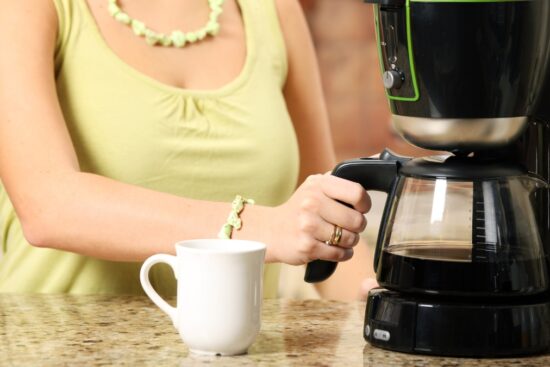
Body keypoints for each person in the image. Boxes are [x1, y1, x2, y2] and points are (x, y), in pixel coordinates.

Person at [0, 0, 375, 299]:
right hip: (60, 349)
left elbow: (326, 223)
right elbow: (46, 204)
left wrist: (378, 302)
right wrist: (260, 226)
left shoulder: (273, 10)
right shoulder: (29, 7)